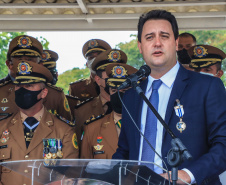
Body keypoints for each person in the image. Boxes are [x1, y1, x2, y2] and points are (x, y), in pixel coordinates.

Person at [112, 10, 226, 185]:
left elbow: (223, 145)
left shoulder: (207, 86)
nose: (157, 43)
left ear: (176, 43)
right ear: (140, 46)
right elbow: (125, 151)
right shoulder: (131, 96)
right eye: (149, 37)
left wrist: (188, 174)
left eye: (164, 36)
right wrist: (102, 174)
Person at [0, 60, 79, 185]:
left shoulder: (63, 130)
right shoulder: (2, 127)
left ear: (43, 93)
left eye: (29, 86)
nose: (22, 90)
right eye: (19, 86)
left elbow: (70, 175)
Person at [0, 35, 73, 121]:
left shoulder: (55, 95)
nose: (24, 64)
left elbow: (67, 128)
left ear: (40, 64)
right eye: (19, 59)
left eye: (30, 59)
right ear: (9, 64)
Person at [81, 63, 138, 159]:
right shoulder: (92, 129)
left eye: (124, 91)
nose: (119, 95)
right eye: (114, 91)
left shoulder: (145, 125)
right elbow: (84, 169)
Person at [74, 49, 127, 148]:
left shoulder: (137, 106)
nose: (115, 77)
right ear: (98, 80)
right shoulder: (83, 111)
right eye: (109, 73)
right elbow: (80, 150)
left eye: (118, 72)